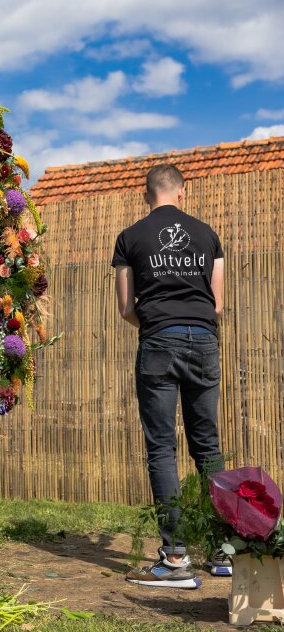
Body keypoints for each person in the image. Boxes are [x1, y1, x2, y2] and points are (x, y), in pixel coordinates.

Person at [112, 163, 228, 589]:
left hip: (159, 340)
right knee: (207, 446)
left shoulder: (130, 237)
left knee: (162, 447)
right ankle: (223, 552)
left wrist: (158, 325)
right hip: (204, 340)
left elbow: (126, 308)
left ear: (147, 195)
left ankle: (176, 558)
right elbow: (216, 304)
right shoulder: (208, 235)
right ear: (182, 191)